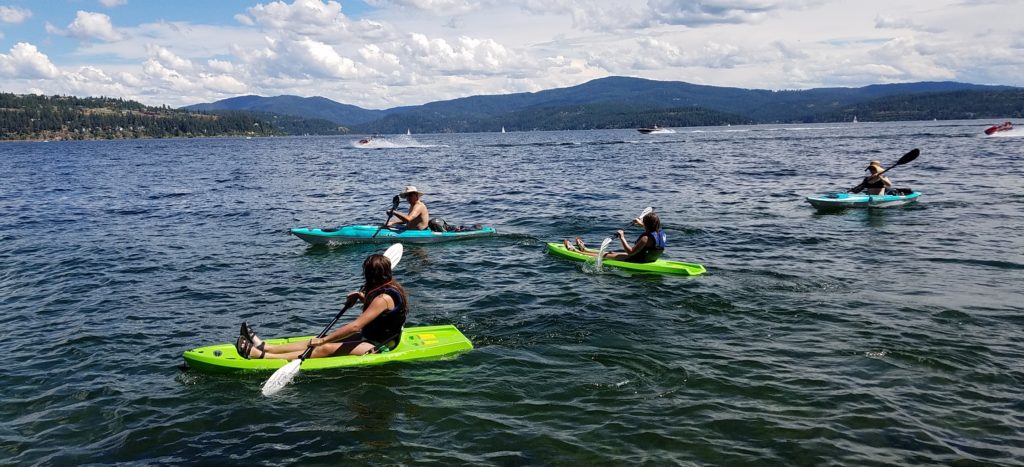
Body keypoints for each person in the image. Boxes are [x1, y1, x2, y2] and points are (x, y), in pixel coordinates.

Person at [234, 254, 408, 359]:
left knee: (323, 346)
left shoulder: (383, 298)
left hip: (380, 345)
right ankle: (266, 347)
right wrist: (362, 297)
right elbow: (381, 313)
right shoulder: (386, 290)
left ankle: (263, 356)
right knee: (314, 340)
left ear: (371, 275)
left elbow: (356, 325)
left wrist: (325, 339)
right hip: (370, 337)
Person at [562, 211, 667, 263]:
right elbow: (650, 230)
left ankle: (575, 251)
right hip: (648, 259)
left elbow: (630, 252)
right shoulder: (659, 232)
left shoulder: (645, 239)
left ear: (647, 224)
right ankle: (585, 249)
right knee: (611, 253)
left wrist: (622, 237)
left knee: (603, 256)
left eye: (644, 223)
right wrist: (640, 223)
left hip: (636, 259)